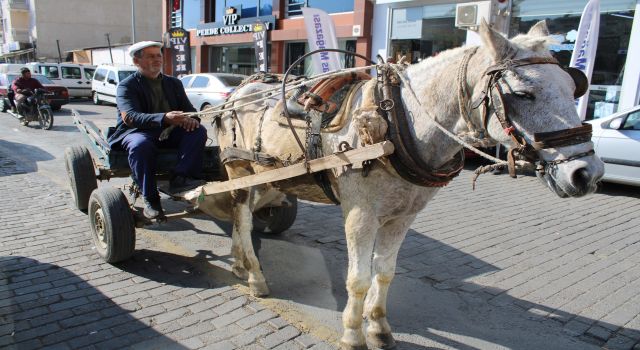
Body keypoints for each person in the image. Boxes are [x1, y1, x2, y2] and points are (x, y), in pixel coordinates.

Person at [107, 41, 207, 219]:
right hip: (137, 131)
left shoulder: (174, 83)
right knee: (140, 145)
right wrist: (164, 118)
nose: (157, 59)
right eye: (150, 56)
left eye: (158, 55)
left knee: (198, 131)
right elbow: (130, 117)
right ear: (137, 62)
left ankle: (181, 178)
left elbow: (190, 110)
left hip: (168, 131)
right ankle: (151, 198)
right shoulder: (126, 86)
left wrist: (191, 119)